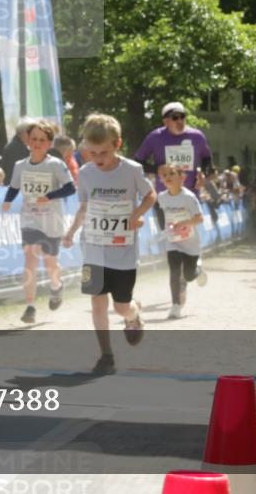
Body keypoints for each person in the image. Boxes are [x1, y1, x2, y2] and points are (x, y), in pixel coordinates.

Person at [63, 114, 156, 375]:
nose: (98, 158)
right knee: (97, 302)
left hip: (123, 253)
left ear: (118, 144)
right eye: (92, 153)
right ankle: (106, 355)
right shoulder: (85, 173)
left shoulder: (132, 170)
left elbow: (150, 195)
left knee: (121, 306)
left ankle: (134, 315)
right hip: (93, 249)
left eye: (103, 152)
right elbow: (84, 207)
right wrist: (71, 231)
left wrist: (136, 214)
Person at [2, 120, 75, 322]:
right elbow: (14, 187)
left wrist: (49, 196)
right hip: (29, 218)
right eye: (33, 138)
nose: (37, 143)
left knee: (49, 260)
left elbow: (70, 188)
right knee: (31, 256)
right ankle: (30, 306)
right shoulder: (20, 165)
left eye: (42, 140)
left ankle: (56, 286)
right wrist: (7, 200)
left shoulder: (55, 164)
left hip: (51, 221)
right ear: (27, 140)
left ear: (49, 143)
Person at [135, 102, 212, 232]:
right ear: (166, 120)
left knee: (188, 240)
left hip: (190, 197)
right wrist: (156, 169)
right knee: (170, 238)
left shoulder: (197, 136)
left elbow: (207, 158)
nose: (180, 121)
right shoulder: (155, 137)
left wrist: (203, 173)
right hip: (165, 199)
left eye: (182, 116)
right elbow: (138, 162)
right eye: (175, 117)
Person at [157, 163, 205, 319]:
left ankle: (198, 269)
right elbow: (162, 215)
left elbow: (200, 218)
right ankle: (176, 305)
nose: (168, 177)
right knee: (174, 272)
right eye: (165, 176)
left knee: (189, 275)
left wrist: (184, 223)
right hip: (173, 241)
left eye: (171, 174)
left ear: (181, 177)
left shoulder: (188, 197)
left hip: (190, 243)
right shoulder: (162, 197)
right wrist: (165, 230)